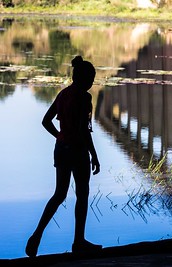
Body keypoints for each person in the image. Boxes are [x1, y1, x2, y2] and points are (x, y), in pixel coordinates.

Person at [25, 56, 102, 257]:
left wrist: (60, 136)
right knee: (82, 194)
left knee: (59, 194)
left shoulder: (64, 94)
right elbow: (84, 132)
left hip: (61, 148)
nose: (93, 82)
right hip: (77, 151)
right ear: (83, 78)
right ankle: (79, 241)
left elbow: (45, 121)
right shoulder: (85, 98)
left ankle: (37, 236)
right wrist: (94, 154)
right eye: (91, 78)